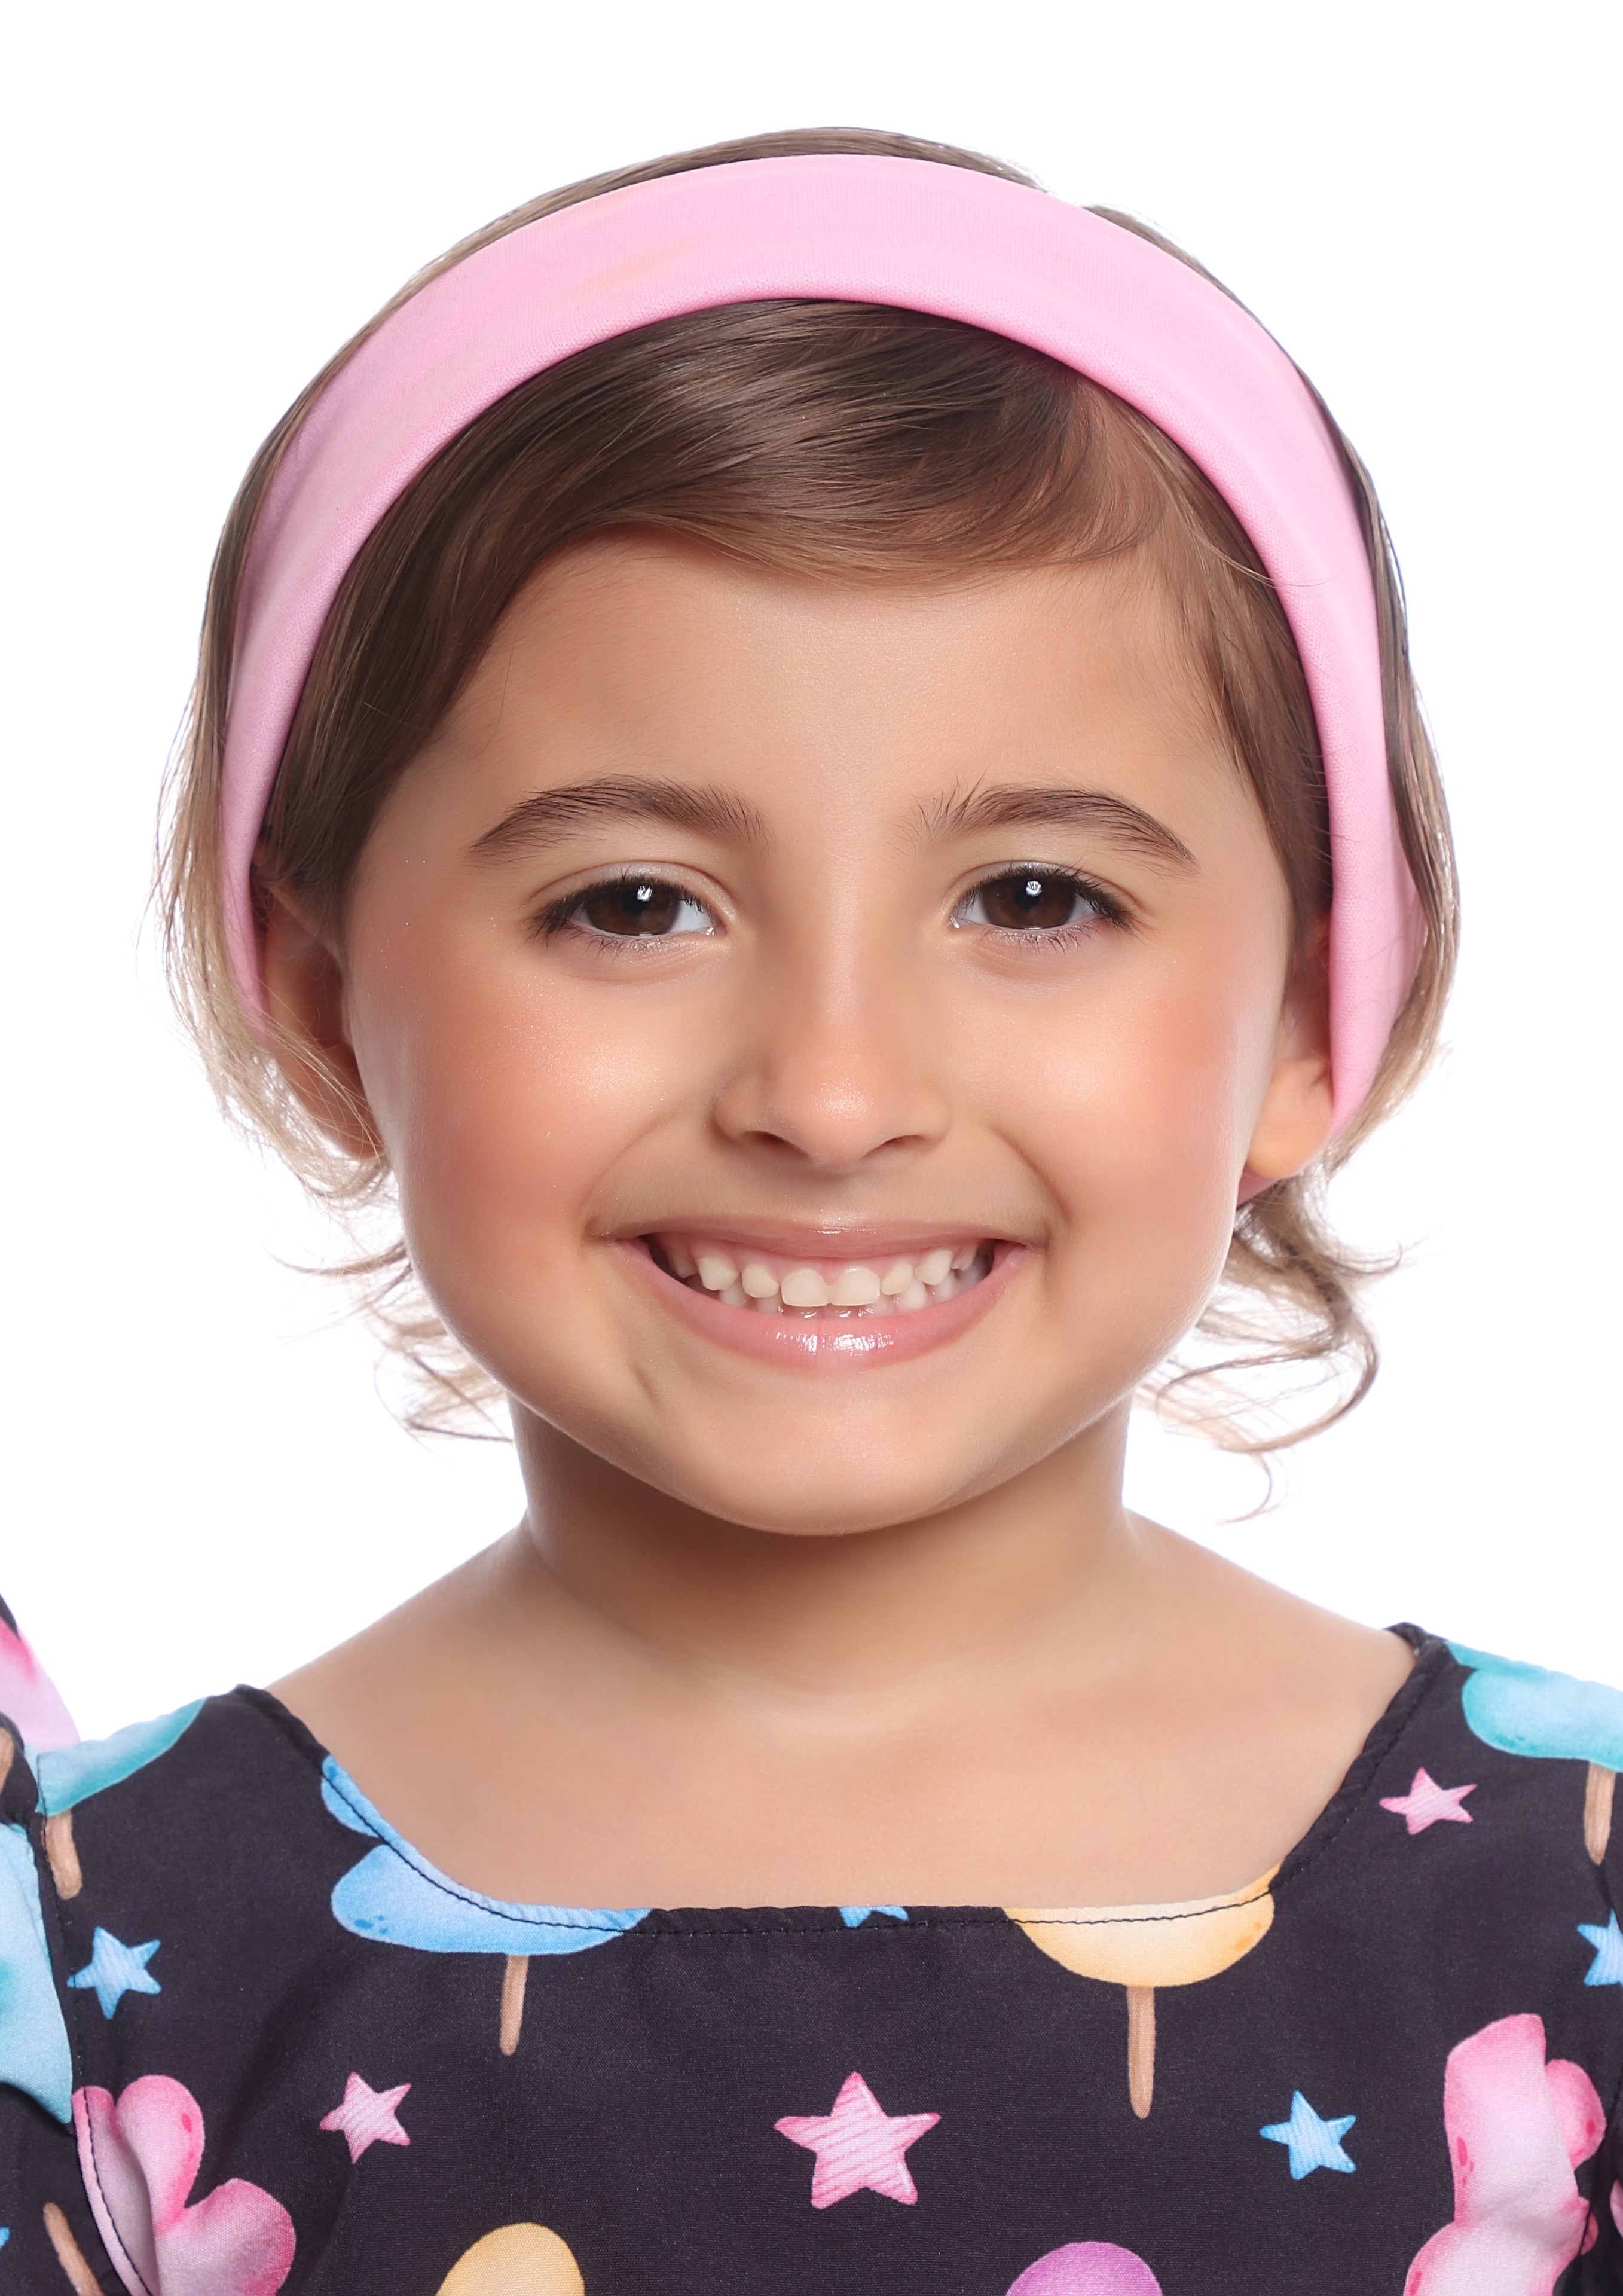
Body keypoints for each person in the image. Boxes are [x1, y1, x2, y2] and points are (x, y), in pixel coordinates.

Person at [1, 126, 1616, 2296]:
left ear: (1323, 1010)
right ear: (315, 995)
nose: (833, 1098)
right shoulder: (92, 1963)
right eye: (631, 904)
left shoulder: (1566, 1910)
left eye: (1032, 898)